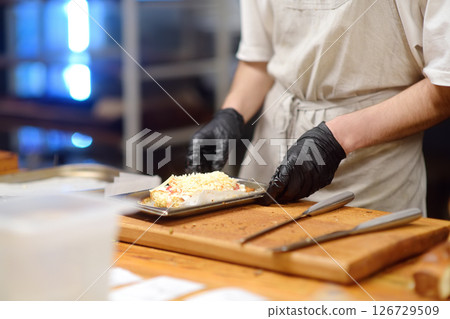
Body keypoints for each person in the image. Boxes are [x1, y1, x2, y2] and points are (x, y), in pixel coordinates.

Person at [186, 0, 450, 214]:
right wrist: (231, 113)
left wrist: (335, 140)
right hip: (268, 154)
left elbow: (443, 87)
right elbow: (259, 58)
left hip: (368, 174)